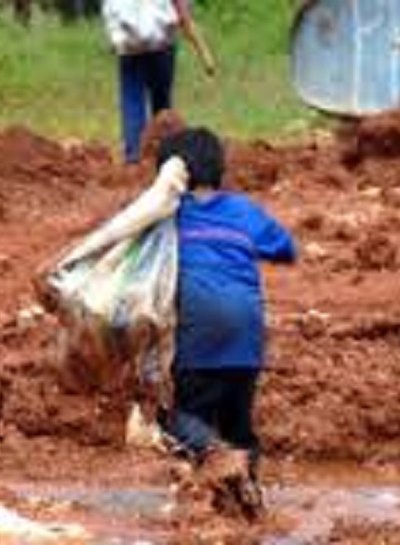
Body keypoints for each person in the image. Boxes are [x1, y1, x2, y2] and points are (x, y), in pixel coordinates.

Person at [156, 128, 296, 517]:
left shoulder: (168, 215)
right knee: (238, 424)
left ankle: (215, 464)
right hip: (247, 340)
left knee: (179, 422)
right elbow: (284, 247)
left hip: (198, 337)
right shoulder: (243, 210)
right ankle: (248, 500)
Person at [102, 0, 215, 163]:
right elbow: (183, 14)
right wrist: (203, 52)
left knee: (132, 101)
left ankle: (134, 155)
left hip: (130, 46)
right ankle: (165, 154)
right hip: (162, 44)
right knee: (161, 102)